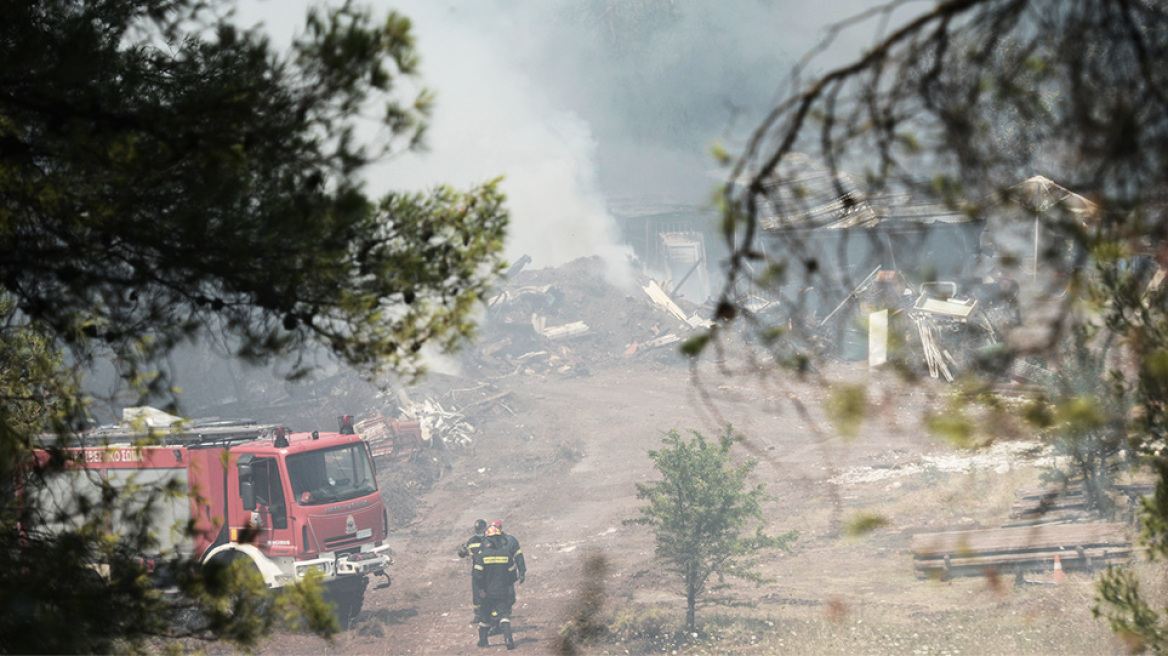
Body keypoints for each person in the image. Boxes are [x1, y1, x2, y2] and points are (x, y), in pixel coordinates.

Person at [473, 524, 517, 649]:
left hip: (487, 592)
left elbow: (477, 575)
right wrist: (508, 586)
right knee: (504, 615)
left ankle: (483, 641)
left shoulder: (483, 556)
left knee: (485, 617)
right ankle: (508, 639)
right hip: (502, 591)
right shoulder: (506, 554)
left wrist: (480, 589)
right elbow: (513, 575)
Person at [458, 519, 488, 623]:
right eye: (477, 530)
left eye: (480, 530)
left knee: (489, 592)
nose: (478, 532)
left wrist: (474, 555)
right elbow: (464, 554)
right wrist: (462, 552)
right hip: (476, 571)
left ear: (485, 528)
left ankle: (492, 614)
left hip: (488, 571)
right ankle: (478, 615)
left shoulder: (489, 540)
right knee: (476, 594)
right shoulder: (471, 541)